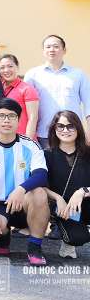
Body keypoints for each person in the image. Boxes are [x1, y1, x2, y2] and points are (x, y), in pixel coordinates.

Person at [0, 98, 50, 266]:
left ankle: (34, 247)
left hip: (22, 203)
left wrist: (20, 190)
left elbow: (41, 175)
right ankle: (3, 238)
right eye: (1, 116)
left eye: (11, 116)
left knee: (39, 193)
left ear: (18, 119)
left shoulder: (30, 145)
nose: (6, 120)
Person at [25, 35, 90, 147]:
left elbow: (88, 105)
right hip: (44, 135)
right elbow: (26, 107)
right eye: (48, 47)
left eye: (56, 46)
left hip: (72, 133)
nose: (52, 50)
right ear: (43, 51)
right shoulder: (32, 75)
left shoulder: (78, 74)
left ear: (64, 50)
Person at [43, 110, 90, 259]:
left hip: (87, 202)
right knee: (78, 237)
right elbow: (40, 187)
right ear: (54, 129)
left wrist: (82, 191)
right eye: (60, 126)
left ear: (78, 128)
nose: (65, 130)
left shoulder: (88, 153)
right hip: (64, 209)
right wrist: (58, 198)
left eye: (70, 126)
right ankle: (69, 236)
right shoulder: (46, 155)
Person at [0, 54, 39, 139]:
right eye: (2, 67)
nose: (6, 70)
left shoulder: (27, 89)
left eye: (10, 66)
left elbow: (33, 118)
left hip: (21, 138)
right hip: (4, 139)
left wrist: (28, 141)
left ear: (17, 67)